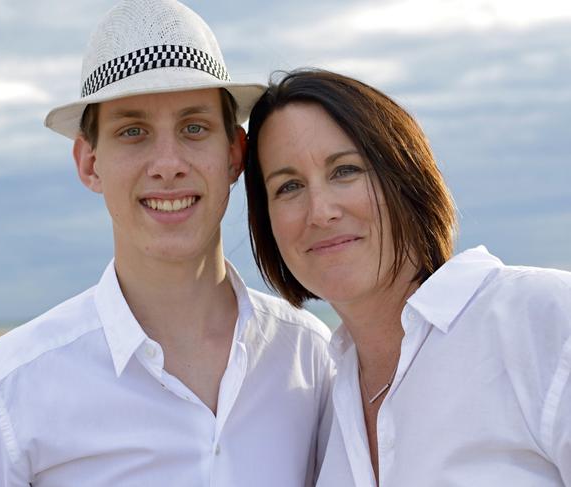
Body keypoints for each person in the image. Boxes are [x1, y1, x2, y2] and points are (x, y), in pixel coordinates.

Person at [0, 5, 333, 486]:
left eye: (193, 127)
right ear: (89, 163)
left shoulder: (312, 358)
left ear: (234, 154)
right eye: (132, 132)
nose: (167, 163)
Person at [244, 68, 571, 486]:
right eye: (288, 186)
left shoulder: (541, 319)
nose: (320, 211)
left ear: (406, 176)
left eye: (345, 170)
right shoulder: (320, 404)